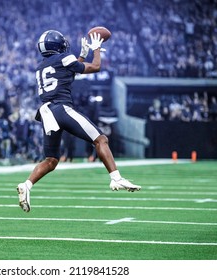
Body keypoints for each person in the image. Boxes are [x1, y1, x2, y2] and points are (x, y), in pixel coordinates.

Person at [17, 30, 141, 212]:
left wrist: (81, 56)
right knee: (101, 139)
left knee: (51, 160)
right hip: (61, 108)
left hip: (46, 112)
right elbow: (95, 67)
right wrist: (96, 49)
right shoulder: (64, 58)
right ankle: (116, 178)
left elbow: (67, 74)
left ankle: (27, 185)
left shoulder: (41, 66)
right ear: (57, 45)